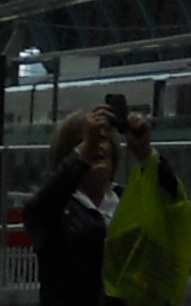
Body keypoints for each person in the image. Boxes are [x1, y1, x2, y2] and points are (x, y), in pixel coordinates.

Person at [20, 107, 119, 306]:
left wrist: (146, 154)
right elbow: (35, 211)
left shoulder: (127, 199)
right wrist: (83, 154)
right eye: (83, 142)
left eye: (102, 139)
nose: (96, 147)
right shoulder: (57, 211)